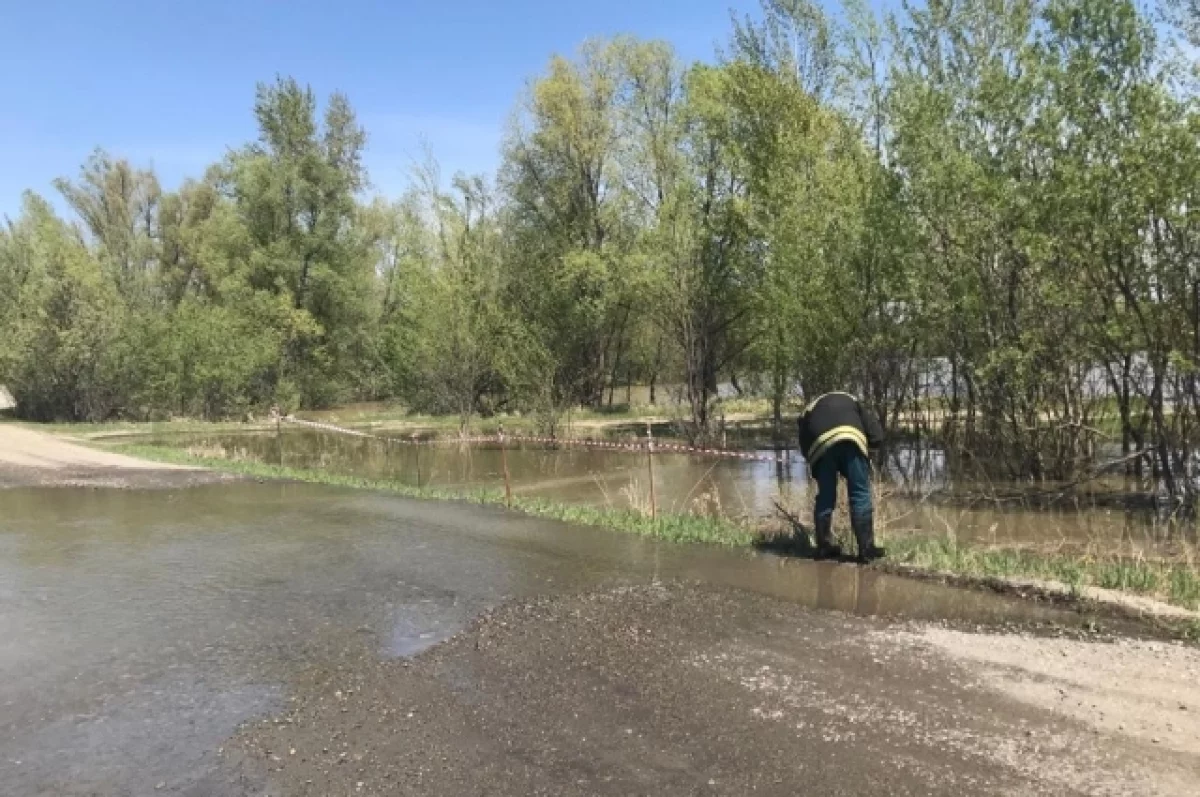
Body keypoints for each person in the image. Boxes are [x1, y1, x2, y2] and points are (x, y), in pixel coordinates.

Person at [797, 392, 886, 563]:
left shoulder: (810, 409)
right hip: (852, 439)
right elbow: (877, 434)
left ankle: (824, 547)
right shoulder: (853, 400)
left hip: (820, 444)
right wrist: (869, 452)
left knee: (826, 496)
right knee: (860, 494)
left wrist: (814, 462)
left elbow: (804, 441)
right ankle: (866, 550)